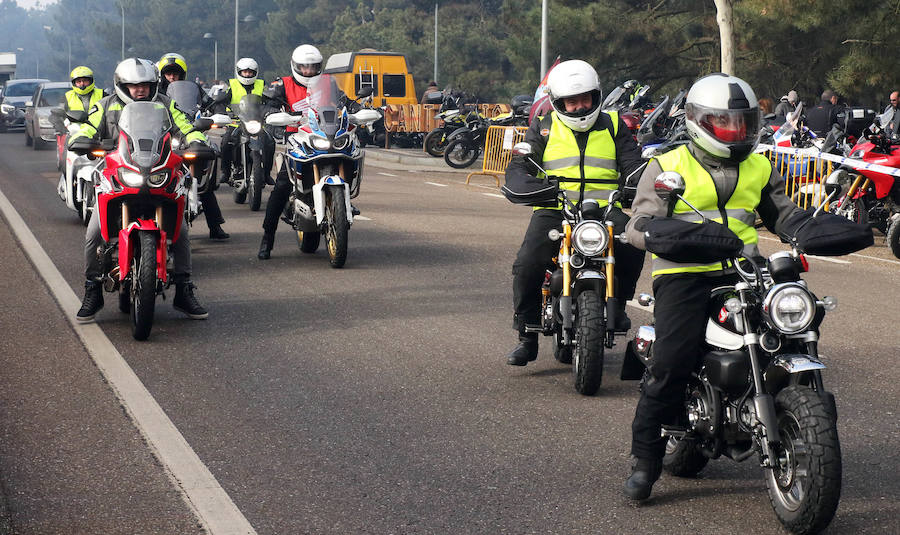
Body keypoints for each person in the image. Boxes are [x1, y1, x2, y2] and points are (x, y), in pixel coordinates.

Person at [621, 73, 807, 501]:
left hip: (744, 271)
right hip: (683, 275)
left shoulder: (760, 165)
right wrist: (670, 238)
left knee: (789, 330)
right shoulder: (667, 166)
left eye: (743, 124)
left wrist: (813, 229)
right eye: (726, 124)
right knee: (672, 360)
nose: (736, 132)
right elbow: (640, 225)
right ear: (698, 122)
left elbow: (784, 214)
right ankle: (645, 461)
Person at [501, 59, 646, 366]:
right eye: (572, 101)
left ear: (596, 96)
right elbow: (521, 166)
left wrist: (635, 185)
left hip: (606, 207)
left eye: (585, 99)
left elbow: (633, 165)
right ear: (558, 102)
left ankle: (618, 304)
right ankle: (526, 334)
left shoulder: (615, 124)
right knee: (528, 262)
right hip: (555, 208)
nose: (580, 107)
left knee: (633, 241)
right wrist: (528, 186)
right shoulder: (544, 126)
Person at [70, 58, 210, 323]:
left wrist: (197, 142)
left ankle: (184, 289)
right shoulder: (106, 104)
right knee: (93, 233)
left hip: (157, 171)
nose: (140, 90)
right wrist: (81, 139)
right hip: (118, 174)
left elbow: (188, 127)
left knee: (180, 231)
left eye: (145, 85)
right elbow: (87, 127)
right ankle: (92, 290)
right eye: (133, 86)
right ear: (121, 85)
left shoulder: (167, 105)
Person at [258, 44, 359, 260]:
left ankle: (341, 204)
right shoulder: (281, 84)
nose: (308, 71)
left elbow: (344, 101)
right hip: (297, 137)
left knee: (350, 156)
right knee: (283, 186)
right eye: (304, 67)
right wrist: (275, 114)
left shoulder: (328, 82)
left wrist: (357, 109)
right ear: (295, 66)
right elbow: (267, 106)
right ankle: (268, 238)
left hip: (326, 135)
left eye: (313, 67)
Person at [157, 53, 230, 240]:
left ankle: (215, 226)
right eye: (168, 74)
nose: (172, 77)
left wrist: (217, 111)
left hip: (190, 132)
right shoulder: (156, 92)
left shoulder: (194, 88)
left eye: (176, 73)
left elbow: (208, 103)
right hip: (165, 135)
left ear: (182, 74)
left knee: (202, 178)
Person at [215, 57, 274, 185]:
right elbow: (221, 100)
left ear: (255, 72)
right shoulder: (231, 84)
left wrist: (271, 110)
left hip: (257, 123)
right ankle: (225, 171)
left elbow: (270, 101)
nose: (247, 74)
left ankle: (267, 173)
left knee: (270, 142)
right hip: (236, 122)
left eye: (250, 72)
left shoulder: (262, 84)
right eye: (244, 72)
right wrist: (221, 111)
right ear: (239, 72)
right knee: (226, 142)